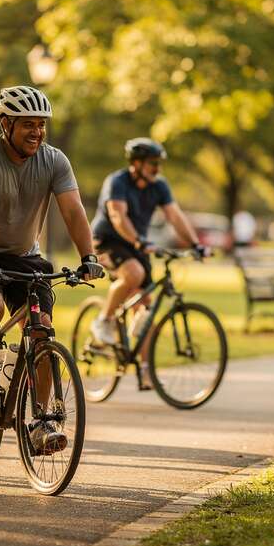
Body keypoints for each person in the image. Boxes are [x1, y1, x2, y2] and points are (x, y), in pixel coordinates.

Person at [0, 86, 104, 442]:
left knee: (41, 329)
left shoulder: (54, 161)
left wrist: (88, 257)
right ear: (6, 124)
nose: (36, 132)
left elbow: (73, 211)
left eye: (41, 125)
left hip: (23, 253)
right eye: (28, 125)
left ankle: (40, 422)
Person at [88, 138, 206, 388]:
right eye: (153, 164)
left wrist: (196, 244)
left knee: (146, 309)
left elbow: (174, 215)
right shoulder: (117, 181)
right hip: (107, 241)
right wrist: (139, 241)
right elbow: (117, 216)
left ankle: (144, 369)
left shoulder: (159, 186)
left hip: (136, 244)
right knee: (133, 273)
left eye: (159, 164)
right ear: (137, 163)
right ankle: (104, 320)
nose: (157, 169)